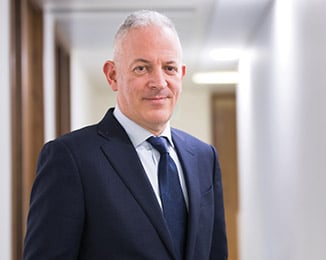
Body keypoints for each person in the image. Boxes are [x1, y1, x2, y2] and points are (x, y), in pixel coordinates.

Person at [23, 10, 228, 260]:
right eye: (142, 68)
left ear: (181, 74)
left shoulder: (204, 158)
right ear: (112, 75)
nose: (159, 82)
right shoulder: (71, 159)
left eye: (169, 68)